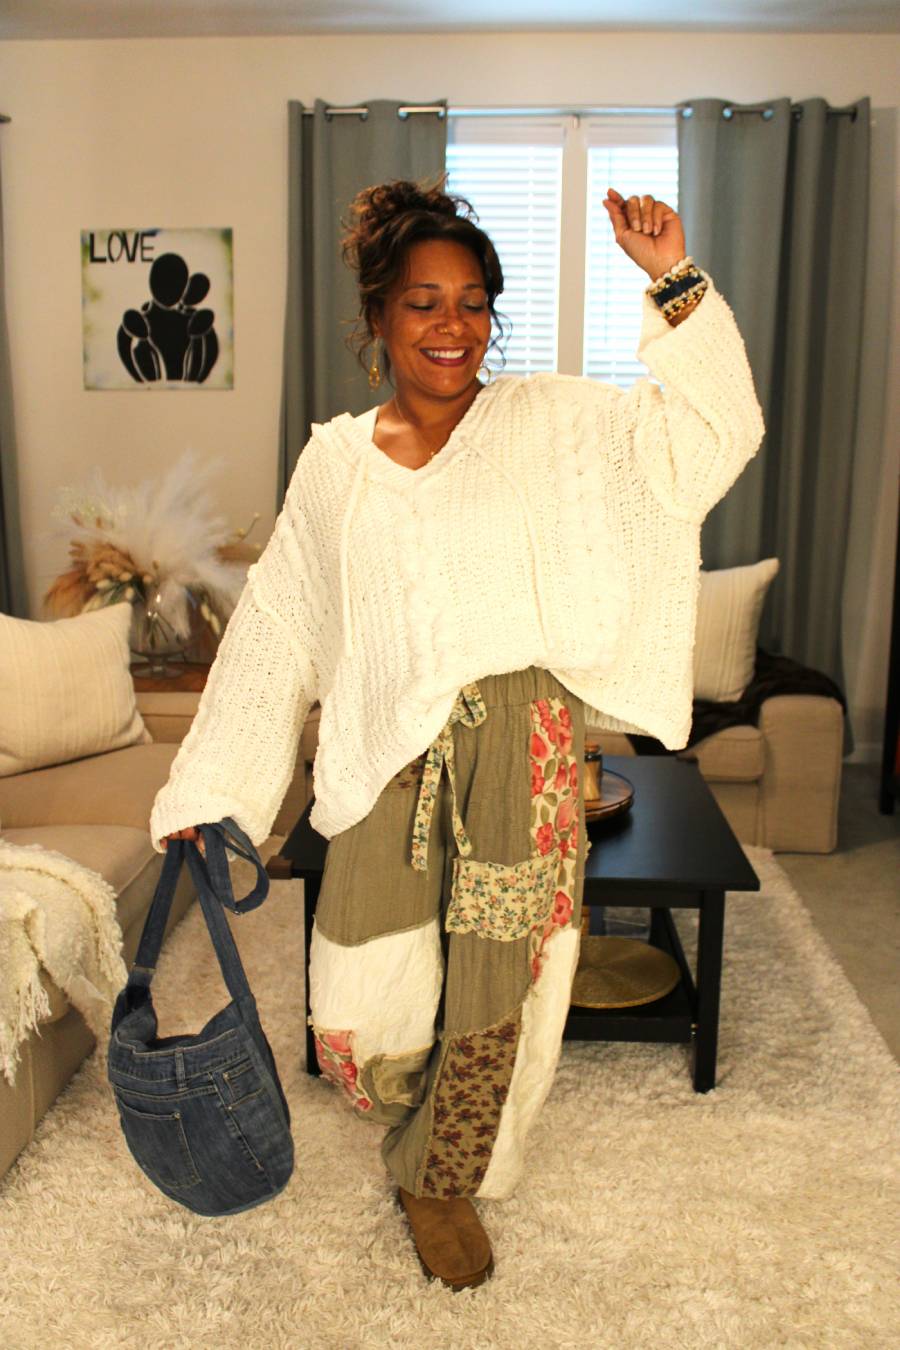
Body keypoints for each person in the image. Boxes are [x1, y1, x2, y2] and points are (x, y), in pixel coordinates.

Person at [153, 177, 764, 1290]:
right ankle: (407, 1127)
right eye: (424, 302)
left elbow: (714, 442)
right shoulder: (335, 463)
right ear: (378, 317)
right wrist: (211, 789)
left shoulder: (553, 424)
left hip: (523, 748)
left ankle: (442, 1177)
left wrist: (672, 278)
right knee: (359, 988)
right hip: (389, 753)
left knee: (501, 982)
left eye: (473, 302)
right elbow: (282, 624)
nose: (452, 327)